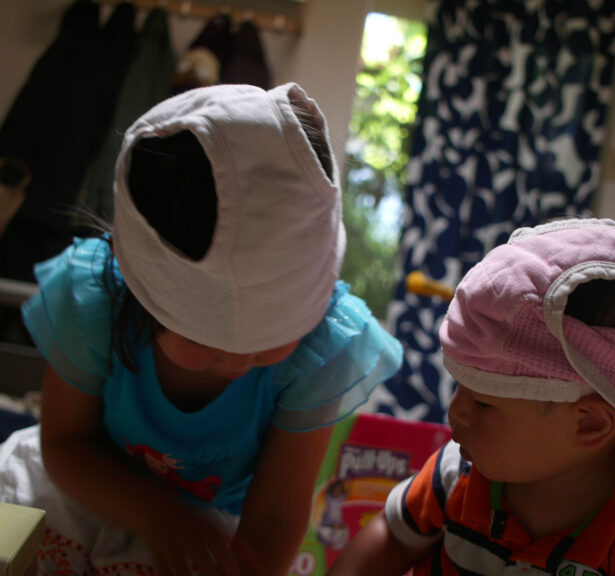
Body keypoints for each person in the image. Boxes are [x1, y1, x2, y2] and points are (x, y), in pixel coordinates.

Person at [0, 83, 403, 576]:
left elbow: (274, 521)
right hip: (84, 487)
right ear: (140, 291)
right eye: (206, 340)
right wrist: (156, 514)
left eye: (268, 341)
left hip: (205, 531)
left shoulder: (319, 351)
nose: (237, 362)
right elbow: (65, 445)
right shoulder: (97, 300)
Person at [327, 218, 615, 576]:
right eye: (459, 388)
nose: (456, 413)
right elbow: (393, 536)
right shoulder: (456, 472)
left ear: (588, 424)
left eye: (484, 404)